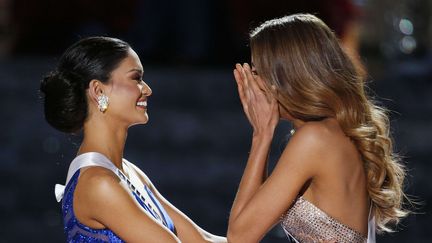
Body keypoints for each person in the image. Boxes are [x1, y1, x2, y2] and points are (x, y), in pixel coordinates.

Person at [227, 14, 408, 242]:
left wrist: (261, 135)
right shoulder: (333, 132)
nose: (251, 82)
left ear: (284, 77)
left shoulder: (315, 139)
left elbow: (239, 236)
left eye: (256, 71)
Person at [40, 36, 226, 243]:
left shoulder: (129, 172)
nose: (147, 89)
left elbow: (204, 240)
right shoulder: (98, 183)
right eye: (136, 78)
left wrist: (260, 137)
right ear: (98, 91)